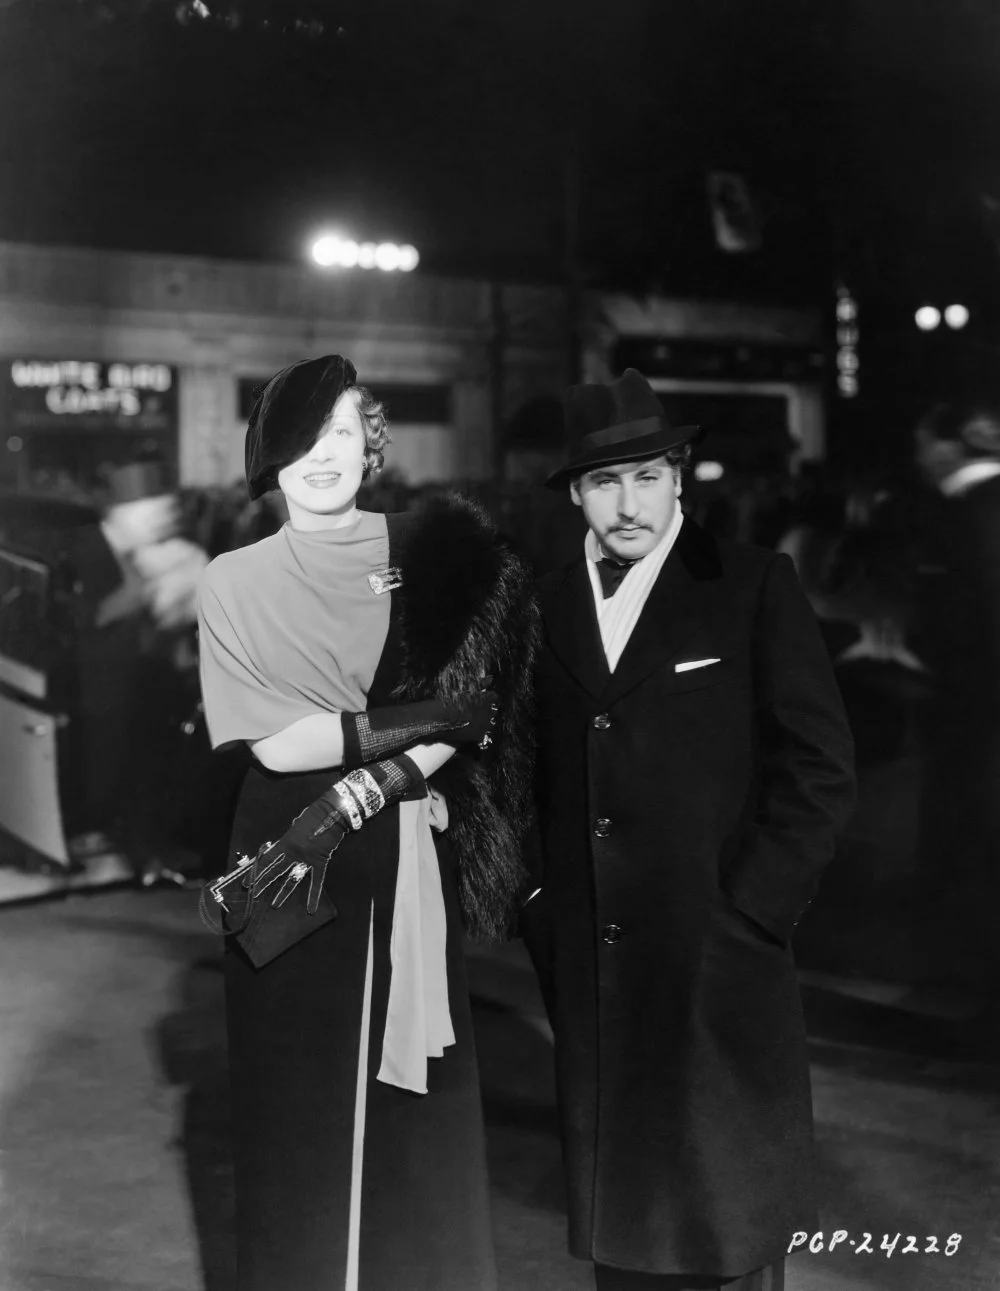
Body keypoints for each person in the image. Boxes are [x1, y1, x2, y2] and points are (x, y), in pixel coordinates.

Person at [196, 354, 537, 1291]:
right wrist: (427, 723)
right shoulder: (231, 578)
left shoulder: (437, 559)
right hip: (286, 850)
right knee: (294, 1101)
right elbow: (276, 744)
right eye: (302, 438)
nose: (323, 455)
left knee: (412, 1111)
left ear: (372, 444)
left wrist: (403, 756)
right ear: (270, 457)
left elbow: (479, 714)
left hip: (403, 846)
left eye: (343, 432)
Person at [521, 369, 855, 1291]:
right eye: (602, 482)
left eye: (644, 477)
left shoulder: (751, 584)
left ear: (680, 476)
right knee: (622, 1227)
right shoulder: (542, 604)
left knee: (727, 1220)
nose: (625, 504)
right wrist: (538, 898)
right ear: (577, 493)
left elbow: (819, 765)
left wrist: (754, 910)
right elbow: (516, 769)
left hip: (716, 952)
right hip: (594, 961)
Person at [913, 402, 1000, 1009]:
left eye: (922, 444)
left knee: (968, 835)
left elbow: (944, 625)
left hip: (971, 702)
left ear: (948, 447)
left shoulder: (953, 519)